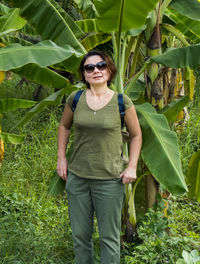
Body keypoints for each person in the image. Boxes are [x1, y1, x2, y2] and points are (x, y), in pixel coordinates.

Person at [57, 50, 142, 264]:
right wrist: (61, 158)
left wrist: (132, 166)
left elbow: (136, 135)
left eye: (101, 65)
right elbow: (64, 126)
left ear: (109, 69)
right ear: (84, 75)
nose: (96, 70)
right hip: (78, 178)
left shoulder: (122, 102)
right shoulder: (75, 99)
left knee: (109, 239)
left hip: (109, 180)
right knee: (80, 237)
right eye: (89, 67)